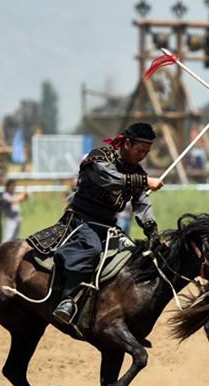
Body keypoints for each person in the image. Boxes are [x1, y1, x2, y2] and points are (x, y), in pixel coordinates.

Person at [50, 122, 164, 324]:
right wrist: (145, 181)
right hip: (81, 220)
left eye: (147, 152)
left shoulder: (136, 171)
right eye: (140, 150)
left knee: (131, 255)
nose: (143, 156)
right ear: (127, 143)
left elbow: (142, 204)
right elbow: (110, 180)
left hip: (109, 227)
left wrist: (153, 233)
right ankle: (66, 300)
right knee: (92, 250)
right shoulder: (99, 156)